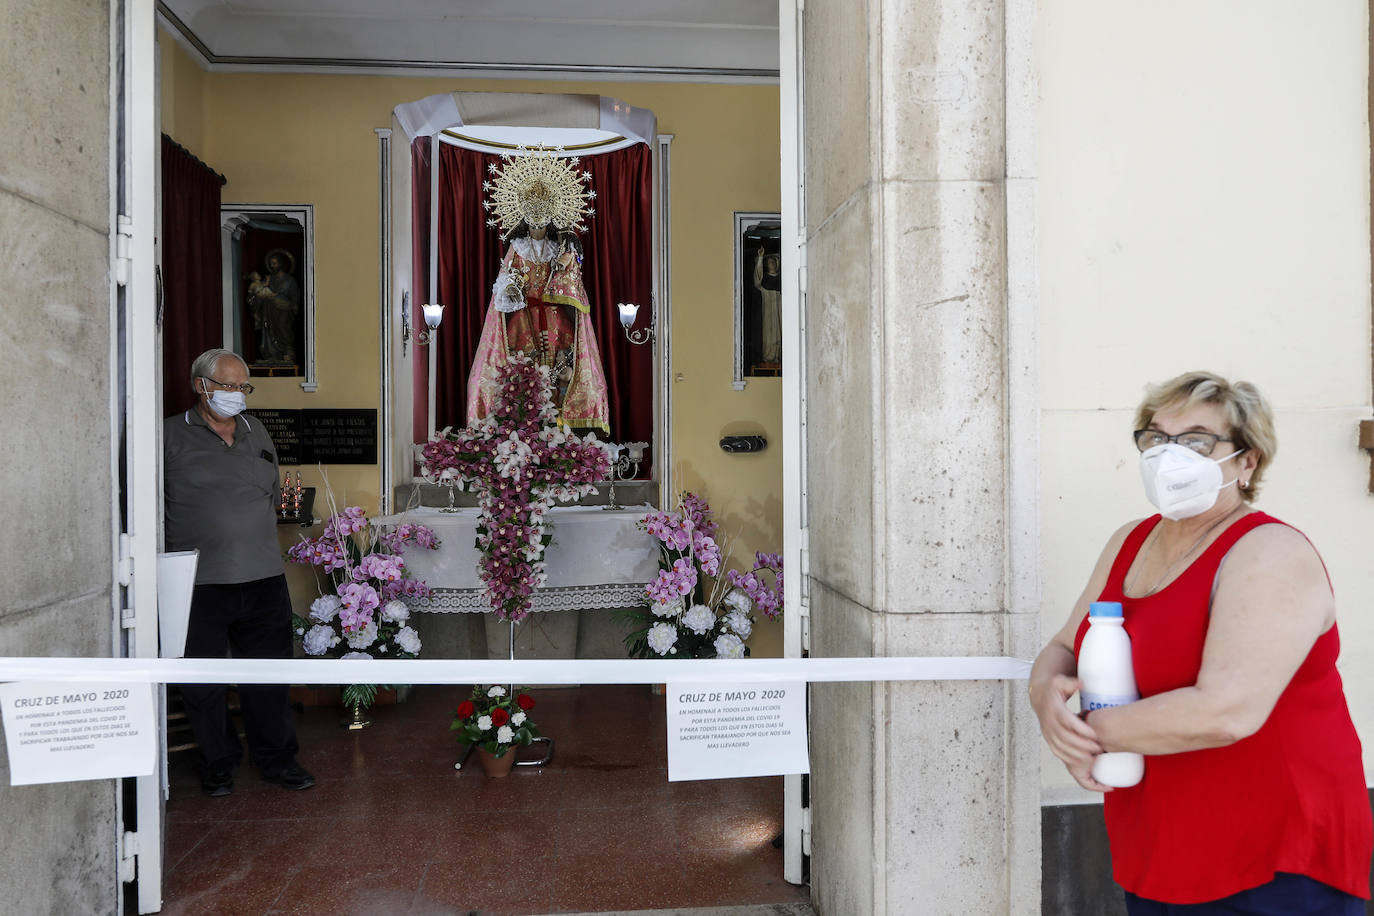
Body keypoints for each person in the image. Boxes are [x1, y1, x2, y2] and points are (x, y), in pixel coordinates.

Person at [1028, 371, 1370, 914]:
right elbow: (1066, 644)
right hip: (1158, 835)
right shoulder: (1132, 540)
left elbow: (1225, 712)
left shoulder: (1270, 552)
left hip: (1269, 854)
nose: (1168, 456)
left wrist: (1085, 732)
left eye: (1195, 441)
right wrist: (1044, 693)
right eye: (1156, 438)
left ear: (1246, 461)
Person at [164, 348, 314, 796]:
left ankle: (277, 760)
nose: (235, 394)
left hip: (263, 577)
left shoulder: (257, 430)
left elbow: (271, 495)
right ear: (200, 386)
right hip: (198, 582)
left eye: (242, 386)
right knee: (203, 684)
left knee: (267, 677)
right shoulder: (168, 435)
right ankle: (218, 764)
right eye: (226, 385)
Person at [467, 220, 611, 432]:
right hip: (523, 316)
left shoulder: (560, 247)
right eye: (534, 222)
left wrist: (566, 262)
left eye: (542, 222)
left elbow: (573, 274)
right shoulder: (517, 247)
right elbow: (505, 278)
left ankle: (559, 421)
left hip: (555, 317)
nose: (538, 227)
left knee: (560, 363)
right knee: (523, 363)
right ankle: (525, 418)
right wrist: (511, 288)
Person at [246, 249, 301, 365]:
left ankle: (287, 352)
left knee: (282, 327)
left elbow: (294, 297)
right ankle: (271, 354)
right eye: (271, 263)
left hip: (284, 310)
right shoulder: (268, 279)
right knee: (268, 330)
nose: (272, 265)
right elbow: (260, 291)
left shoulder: (289, 280)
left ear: (281, 264)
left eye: (275, 263)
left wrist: (292, 305)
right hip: (268, 310)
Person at [753, 247, 782, 365]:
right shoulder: (763, 280)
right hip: (768, 308)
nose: (772, 264)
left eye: (774, 262)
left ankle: (778, 357)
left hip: (779, 309)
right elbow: (757, 279)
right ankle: (769, 358)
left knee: (779, 332)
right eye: (770, 262)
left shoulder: (781, 278)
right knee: (769, 334)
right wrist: (760, 258)